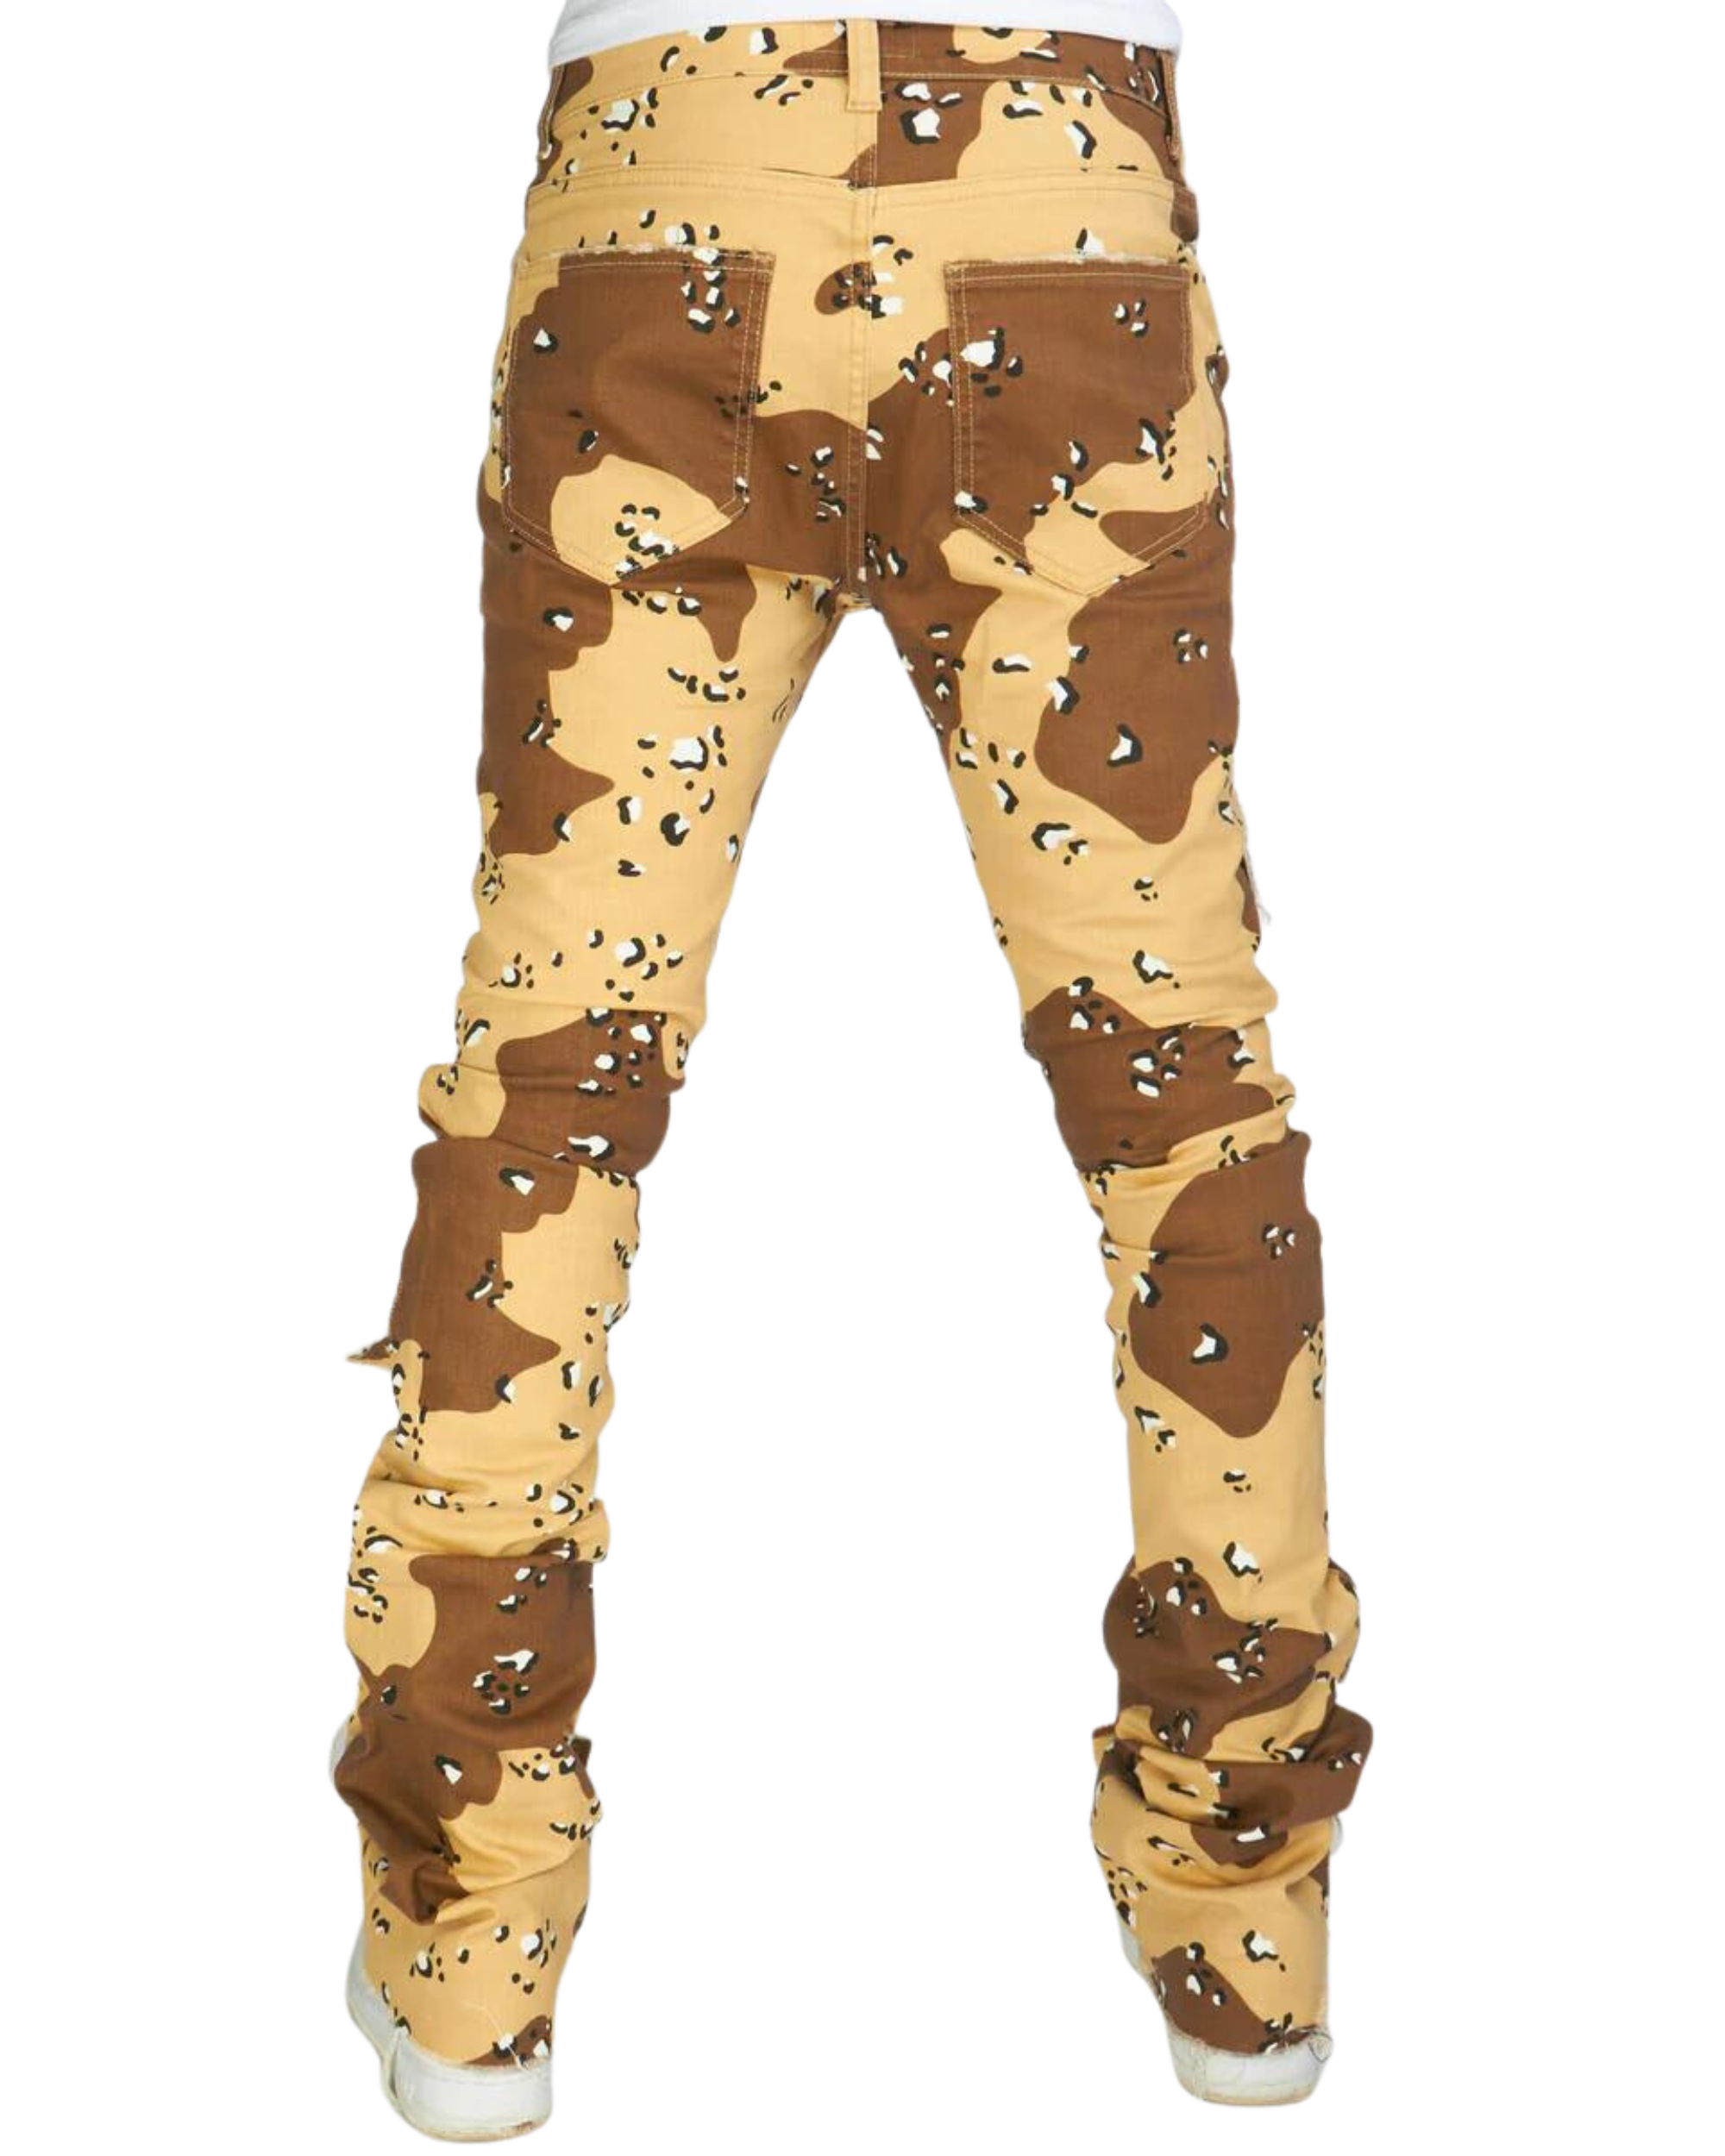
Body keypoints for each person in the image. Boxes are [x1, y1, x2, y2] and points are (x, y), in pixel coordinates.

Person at [332, 6, 1371, 2137]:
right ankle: (1243, 1924)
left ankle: (467, 1955)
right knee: (1182, 1104)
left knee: (550, 1096)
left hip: (664, 173)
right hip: (1057, 212)